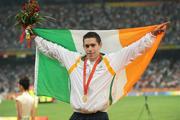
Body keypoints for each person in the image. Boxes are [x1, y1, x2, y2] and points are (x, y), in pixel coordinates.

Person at [31, 22, 168, 120]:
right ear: (83, 47)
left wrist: (152, 35)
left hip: (99, 116)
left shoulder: (111, 61)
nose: (90, 49)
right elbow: (52, 49)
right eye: (87, 46)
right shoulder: (73, 60)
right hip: (77, 116)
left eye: (93, 45)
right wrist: (35, 37)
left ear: (100, 45)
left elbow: (134, 49)